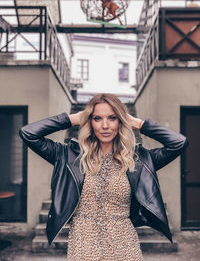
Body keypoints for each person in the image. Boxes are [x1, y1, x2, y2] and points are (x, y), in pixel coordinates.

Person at [19, 93, 188, 261]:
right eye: (97, 118)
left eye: (113, 118)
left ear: (121, 121)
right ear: (89, 122)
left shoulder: (138, 159)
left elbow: (178, 143)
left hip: (124, 245)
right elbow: (28, 133)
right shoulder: (67, 155)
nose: (105, 125)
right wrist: (71, 119)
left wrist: (138, 123)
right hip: (83, 245)